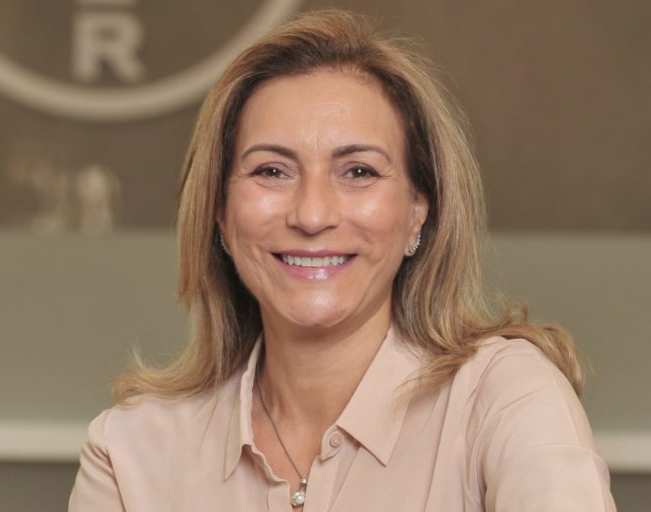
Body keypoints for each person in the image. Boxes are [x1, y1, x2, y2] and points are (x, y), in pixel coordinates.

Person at [69, 9, 615, 511]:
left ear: (417, 212)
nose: (312, 215)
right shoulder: (130, 451)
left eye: (358, 172)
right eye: (271, 171)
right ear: (220, 214)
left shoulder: (503, 398)